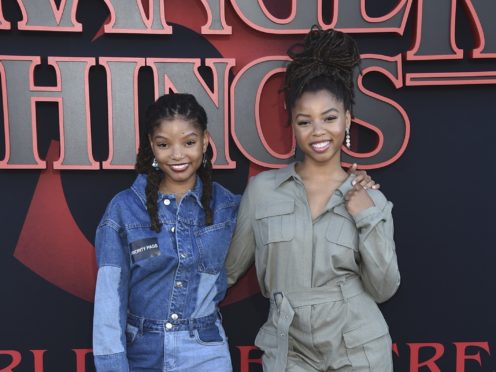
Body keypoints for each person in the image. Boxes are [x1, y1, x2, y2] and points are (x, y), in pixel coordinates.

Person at [225, 27, 400, 371]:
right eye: (305, 121)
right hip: (290, 350)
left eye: (330, 118)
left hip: (358, 348)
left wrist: (365, 217)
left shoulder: (371, 200)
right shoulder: (263, 191)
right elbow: (228, 272)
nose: (318, 131)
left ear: (347, 120)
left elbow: (384, 289)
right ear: (292, 125)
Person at [92, 93, 239, 371]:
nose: (177, 154)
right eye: (164, 144)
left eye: (189, 142)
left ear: (205, 141)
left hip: (207, 353)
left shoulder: (226, 207)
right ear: (151, 145)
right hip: (142, 353)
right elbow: (109, 301)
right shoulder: (124, 210)